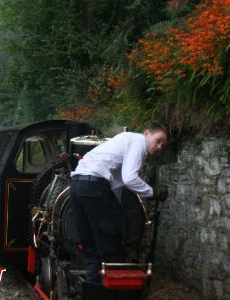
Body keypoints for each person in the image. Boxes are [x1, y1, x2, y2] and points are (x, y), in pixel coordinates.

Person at [70, 122, 169, 288]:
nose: (159, 147)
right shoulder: (138, 141)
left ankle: (92, 293)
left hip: (76, 185)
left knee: (92, 250)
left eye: (163, 145)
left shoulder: (123, 141)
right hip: (94, 187)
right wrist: (152, 192)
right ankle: (114, 294)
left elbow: (117, 184)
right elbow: (130, 179)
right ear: (146, 133)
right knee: (111, 250)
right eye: (158, 140)